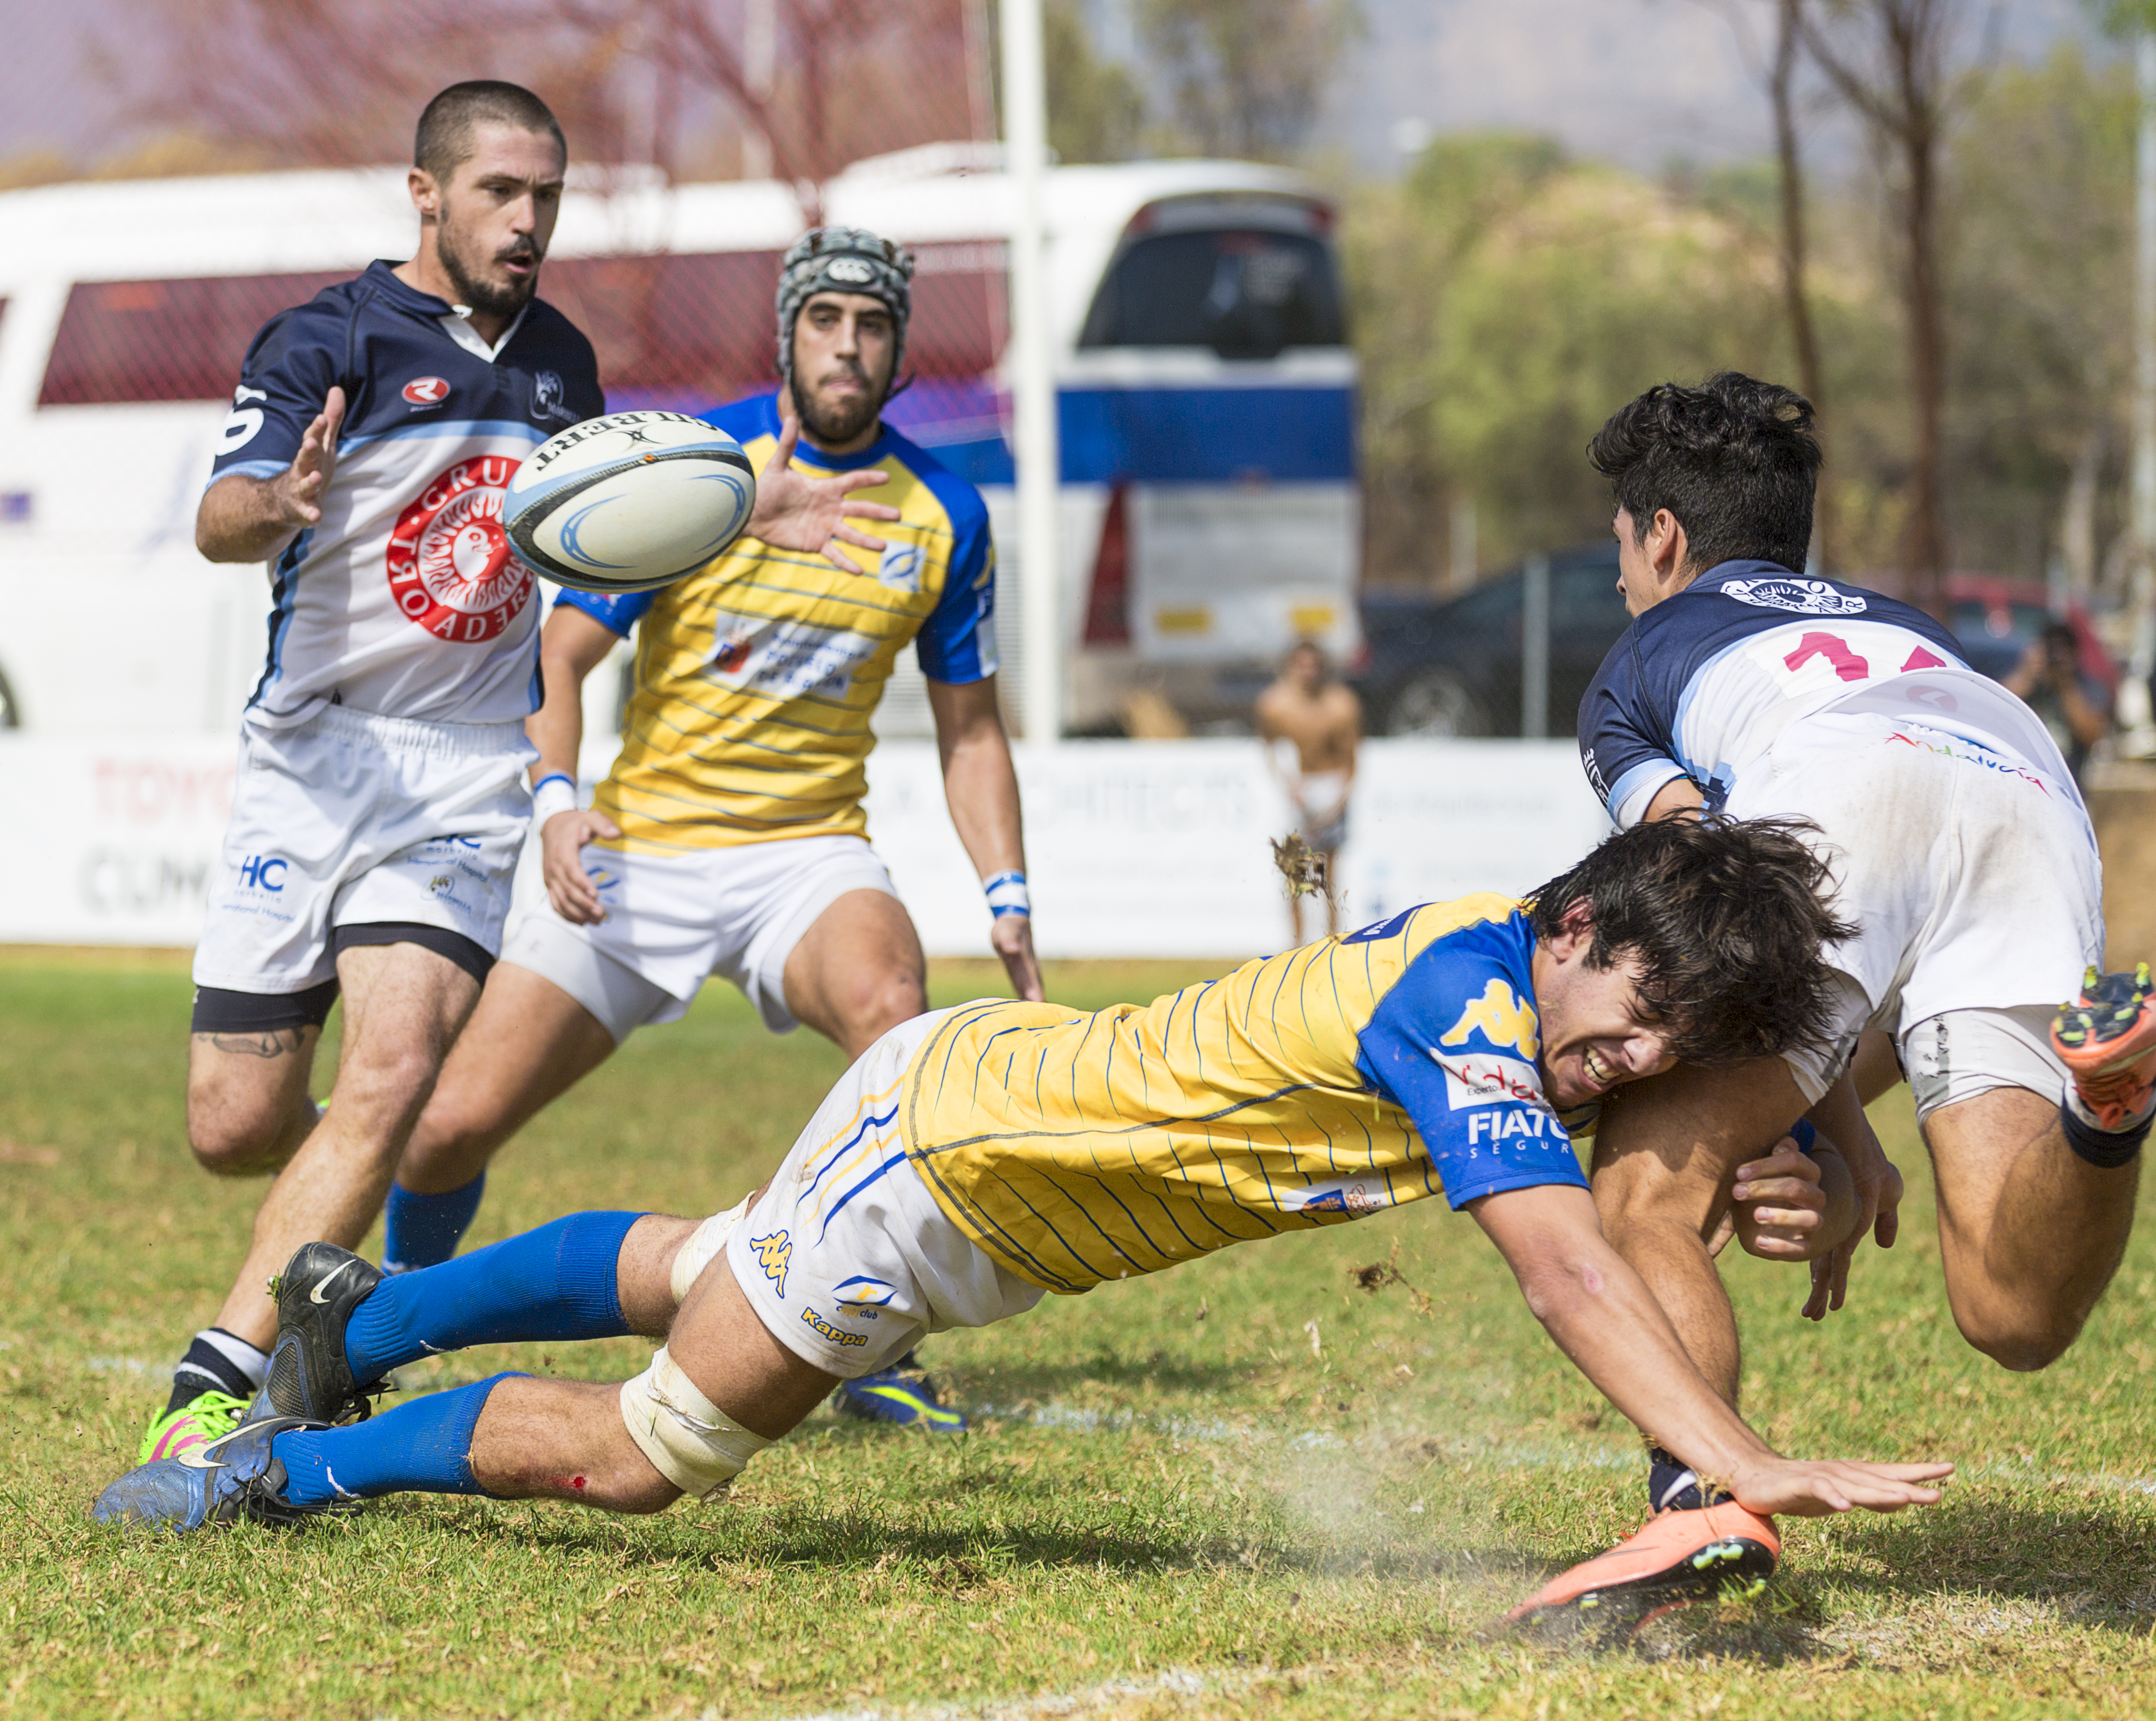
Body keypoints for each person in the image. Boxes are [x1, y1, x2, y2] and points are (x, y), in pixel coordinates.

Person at [98, 819, 1956, 1645]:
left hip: (978, 1115)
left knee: (695, 1257)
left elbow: (1631, 1157)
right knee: (651, 1449)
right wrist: (1737, 1456)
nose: (1627, 1062)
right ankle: (286, 1466)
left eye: (1665, 1050)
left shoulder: (1514, 957)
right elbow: (1563, 1259)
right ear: (1573, 930)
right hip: (947, 1177)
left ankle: (379, 1305)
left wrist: (1791, 1136)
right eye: (1626, 1019)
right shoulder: (1470, 1012)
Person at [138, 86, 889, 1468]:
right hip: (311, 762)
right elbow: (215, 519)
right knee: (234, 1124)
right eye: (499, 192)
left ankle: (222, 1380)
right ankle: (354, 1255)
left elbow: (604, 536)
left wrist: (742, 500)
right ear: (424, 195)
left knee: (393, 1072)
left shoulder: (561, 363)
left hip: (464, 775)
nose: (528, 220)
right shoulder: (329, 339)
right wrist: (281, 501)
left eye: (545, 195)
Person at [369, 226, 1041, 1439]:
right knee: (451, 1124)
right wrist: (559, 805)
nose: (849, 343)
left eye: (873, 325)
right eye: (826, 318)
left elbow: (973, 731)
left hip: (808, 854)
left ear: (898, 351)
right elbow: (556, 659)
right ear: (789, 331)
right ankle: (390, 1317)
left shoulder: (945, 511)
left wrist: (1009, 895)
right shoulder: (692, 468)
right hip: (643, 851)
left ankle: (872, 1342)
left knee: (896, 1014)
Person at [1528, 373, 2156, 1615]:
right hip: (2021, 769)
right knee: (2013, 1306)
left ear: (1663, 533)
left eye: (1620, 542)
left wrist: (1814, 1118)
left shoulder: (1641, 657)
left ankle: (1698, 1508)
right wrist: (1823, 1115)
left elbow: (1706, 906)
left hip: (1838, 780)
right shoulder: (1901, 615)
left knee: (1646, 1186)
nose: (1618, 575)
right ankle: (2109, 1109)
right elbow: (1840, 959)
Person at [1256, 640, 1361, 943]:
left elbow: (1352, 758)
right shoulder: (1275, 704)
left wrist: (1340, 799)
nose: (1308, 672)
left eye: (1313, 665)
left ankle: (1332, 945)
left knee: (1328, 878)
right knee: (1295, 876)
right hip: (1297, 790)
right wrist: (1289, 786)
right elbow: (1271, 751)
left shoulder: (1341, 704)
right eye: (1301, 665)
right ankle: (1296, 949)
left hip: (1330, 786)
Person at [2003, 620, 2111, 786]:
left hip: (2069, 788)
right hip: (2025, 783)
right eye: (2052, 650)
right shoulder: (2030, 682)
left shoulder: (2087, 686)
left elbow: (2092, 735)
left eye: (2064, 651)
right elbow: (1998, 706)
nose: (2056, 658)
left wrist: (2066, 685)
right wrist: (2027, 673)